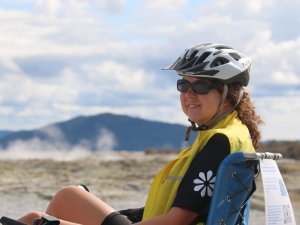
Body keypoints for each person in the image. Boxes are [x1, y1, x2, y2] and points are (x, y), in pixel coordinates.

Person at [17, 43, 263, 225]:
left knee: (34, 220)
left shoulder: (220, 141)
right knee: (69, 196)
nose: (189, 94)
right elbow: (190, 207)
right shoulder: (233, 134)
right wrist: (129, 215)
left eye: (200, 86)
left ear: (229, 94)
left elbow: (178, 219)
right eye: (183, 85)